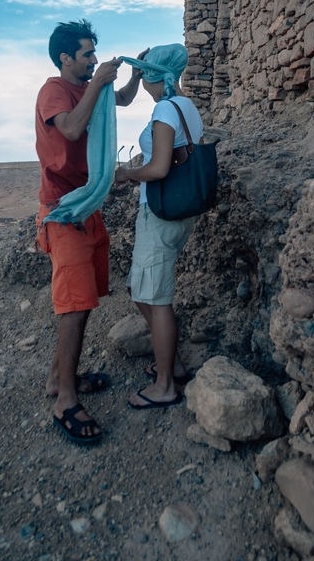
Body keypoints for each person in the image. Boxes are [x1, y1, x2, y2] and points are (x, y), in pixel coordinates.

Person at [35, 19, 147, 443]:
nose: (94, 60)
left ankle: (57, 379)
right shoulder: (54, 90)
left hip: (88, 202)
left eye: (94, 55)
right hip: (64, 210)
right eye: (87, 55)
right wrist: (98, 82)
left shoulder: (87, 87)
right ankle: (65, 400)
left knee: (85, 298)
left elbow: (119, 99)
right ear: (66, 58)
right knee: (75, 304)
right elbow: (70, 128)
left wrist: (133, 77)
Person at [114, 44, 203, 409]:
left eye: (144, 72)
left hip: (161, 212)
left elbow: (159, 169)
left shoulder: (165, 108)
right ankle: (174, 364)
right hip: (180, 209)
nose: (143, 80)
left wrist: (125, 174)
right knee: (143, 289)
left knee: (154, 297)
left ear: (153, 75)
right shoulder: (186, 106)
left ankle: (166, 384)